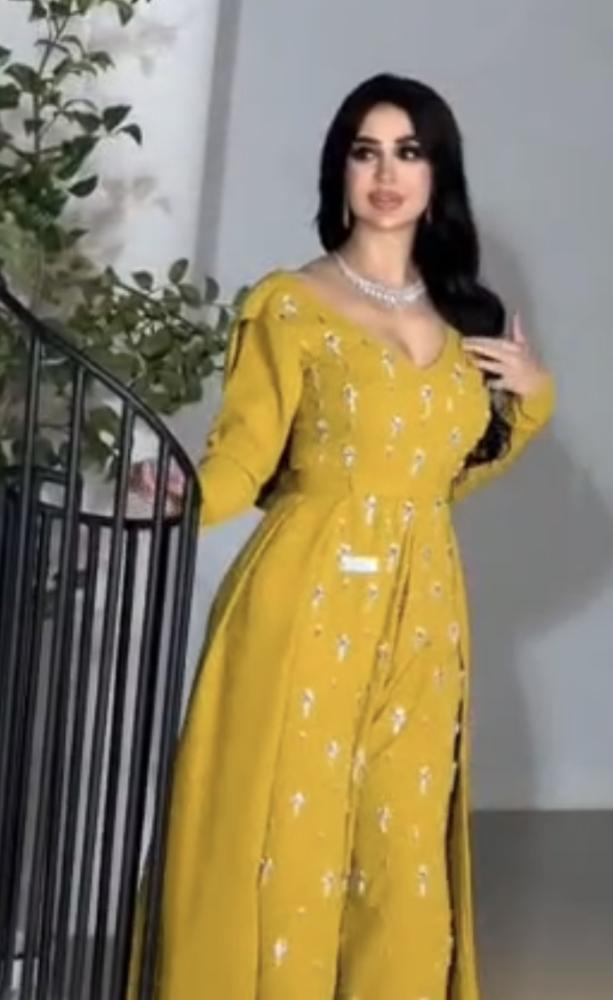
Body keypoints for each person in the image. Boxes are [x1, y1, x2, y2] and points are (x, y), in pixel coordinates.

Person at [127, 72, 555, 1000]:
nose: (387, 175)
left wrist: (529, 401)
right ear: (341, 171)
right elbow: (245, 455)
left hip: (423, 616)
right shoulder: (291, 304)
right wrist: (183, 495)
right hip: (304, 604)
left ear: (438, 176)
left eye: (409, 153)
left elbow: (442, 476)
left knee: (403, 859)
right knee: (293, 844)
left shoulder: (465, 320)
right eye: (367, 153)